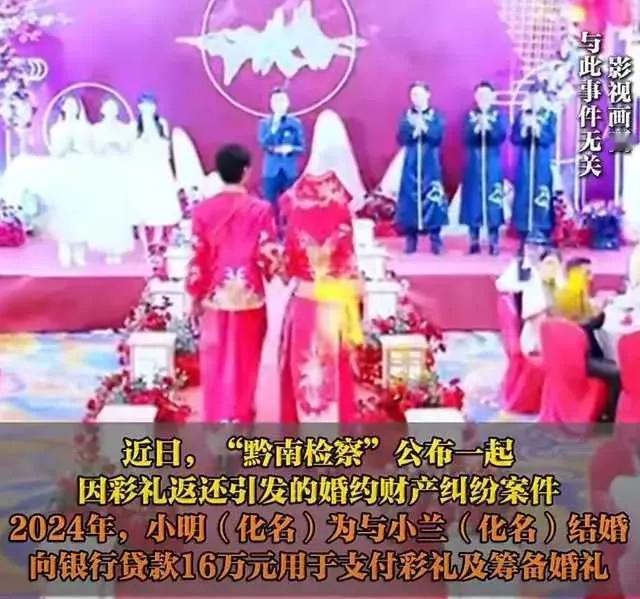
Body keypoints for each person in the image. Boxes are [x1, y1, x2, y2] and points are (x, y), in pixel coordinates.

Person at [186, 144, 279, 423]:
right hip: (250, 295)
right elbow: (267, 255)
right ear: (246, 172)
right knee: (246, 360)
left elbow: (198, 256)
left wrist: (195, 296)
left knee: (215, 360)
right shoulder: (261, 210)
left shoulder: (202, 211)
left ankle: (217, 418)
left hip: (214, 294)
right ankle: (240, 416)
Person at [278, 170, 364, 423]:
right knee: (333, 371)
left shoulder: (295, 217)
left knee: (305, 372)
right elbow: (350, 268)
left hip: (305, 303)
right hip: (335, 306)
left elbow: (287, 270)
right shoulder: (342, 217)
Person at [554, 257, 620, 420]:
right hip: (579, 358)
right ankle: (609, 417)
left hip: (581, 352)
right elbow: (584, 327)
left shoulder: (576, 292)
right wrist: (601, 312)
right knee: (617, 372)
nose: (591, 277)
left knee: (613, 360)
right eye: (587, 273)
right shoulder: (569, 296)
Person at [396, 82, 448, 254]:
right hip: (411, 163)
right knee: (410, 200)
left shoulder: (436, 116)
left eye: (419, 94)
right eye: (413, 95)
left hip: (430, 163)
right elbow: (401, 137)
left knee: (433, 198)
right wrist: (413, 132)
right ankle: (411, 240)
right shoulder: (406, 116)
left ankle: (435, 239)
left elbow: (438, 136)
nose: (416, 98)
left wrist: (424, 127)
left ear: (428, 94)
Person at [131, 93, 182, 255]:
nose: (148, 107)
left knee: (160, 208)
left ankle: (156, 243)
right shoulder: (134, 126)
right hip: (142, 171)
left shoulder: (161, 123)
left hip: (159, 169)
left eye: (151, 104)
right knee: (142, 209)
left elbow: (165, 149)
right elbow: (133, 151)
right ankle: (144, 246)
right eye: (144, 104)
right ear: (139, 107)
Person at [460, 81, 507, 255]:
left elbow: (501, 135)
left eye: (486, 95)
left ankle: (494, 241)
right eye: (480, 95)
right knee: (473, 202)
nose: (483, 98)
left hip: (492, 164)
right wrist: (476, 129)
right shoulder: (469, 115)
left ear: (492, 96)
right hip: (473, 164)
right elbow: (465, 136)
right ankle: (474, 241)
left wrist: (489, 128)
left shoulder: (499, 115)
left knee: (493, 201)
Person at [89, 97, 136, 263]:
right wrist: (103, 148)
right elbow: (91, 151)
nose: (110, 111)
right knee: (105, 210)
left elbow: (131, 151)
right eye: (107, 107)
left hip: (119, 173)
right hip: (103, 173)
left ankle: (118, 249)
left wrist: (120, 148)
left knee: (119, 211)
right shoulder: (95, 129)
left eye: (113, 107)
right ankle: (106, 248)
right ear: (102, 110)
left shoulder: (125, 129)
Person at [511, 83, 557, 250]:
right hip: (525, 160)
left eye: (538, 97)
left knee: (541, 191)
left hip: (541, 160)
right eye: (532, 97)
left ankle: (541, 229)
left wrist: (538, 131)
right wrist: (524, 129)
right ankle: (523, 231)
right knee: (524, 191)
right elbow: (514, 138)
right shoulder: (522, 115)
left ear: (543, 98)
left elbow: (550, 138)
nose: (535, 101)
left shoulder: (549, 116)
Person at [258, 88, 305, 235]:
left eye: (282, 101)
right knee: (269, 205)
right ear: (271, 104)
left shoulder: (295, 123)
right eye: (276, 101)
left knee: (290, 204)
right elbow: (263, 144)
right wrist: (273, 128)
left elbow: (302, 147)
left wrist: (291, 149)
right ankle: (271, 234)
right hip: (271, 170)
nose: (279, 105)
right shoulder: (265, 123)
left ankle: (290, 235)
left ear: (287, 103)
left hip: (289, 170)